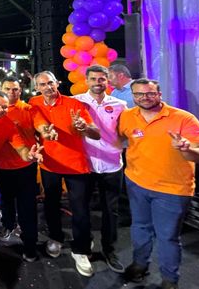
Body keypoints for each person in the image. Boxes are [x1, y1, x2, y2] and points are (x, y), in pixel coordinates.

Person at [118, 79, 199, 289]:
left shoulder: (183, 119)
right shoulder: (128, 116)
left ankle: (170, 280)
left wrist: (185, 148)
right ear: (133, 96)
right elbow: (118, 139)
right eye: (139, 94)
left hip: (172, 189)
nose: (144, 98)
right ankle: (140, 266)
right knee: (140, 228)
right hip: (136, 183)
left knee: (167, 237)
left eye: (149, 93)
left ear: (159, 94)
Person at [30, 71, 100, 277]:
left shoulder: (74, 104)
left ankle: (81, 250)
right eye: (42, 84)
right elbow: (35, 124)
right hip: (50, 165)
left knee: (80, 208)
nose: (48, 87)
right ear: (37, 88)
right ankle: (55, 238)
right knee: (51, 205)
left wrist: (85, 128)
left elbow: (96, 133)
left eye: (50, 83)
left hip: (76, 166)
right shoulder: (33, 103)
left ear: (57, 83)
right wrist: (44, 134)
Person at [72, 65, 127, 273]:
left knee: (110, 212)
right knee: (81, 210)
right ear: (86, 81)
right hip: (84, 166)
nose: (97, 83)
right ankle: (82, 249)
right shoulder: (76, 101)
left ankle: (109, 250)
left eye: (102, 79)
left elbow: (126, 130)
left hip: (112, 165)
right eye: (93, 79)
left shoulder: (120, 104)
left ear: (107, 81)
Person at [0, 81, 43, 263]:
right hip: (2, 167)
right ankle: (8, 225)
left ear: (20, 91)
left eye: (15, 89)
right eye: (8, 89)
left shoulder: (29, 109)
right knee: (6, 201)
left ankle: (30, 245)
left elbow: (40, 126)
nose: (12, 92)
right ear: (1, 90)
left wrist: (46, 132)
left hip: (25, 166)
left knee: (27, 207)